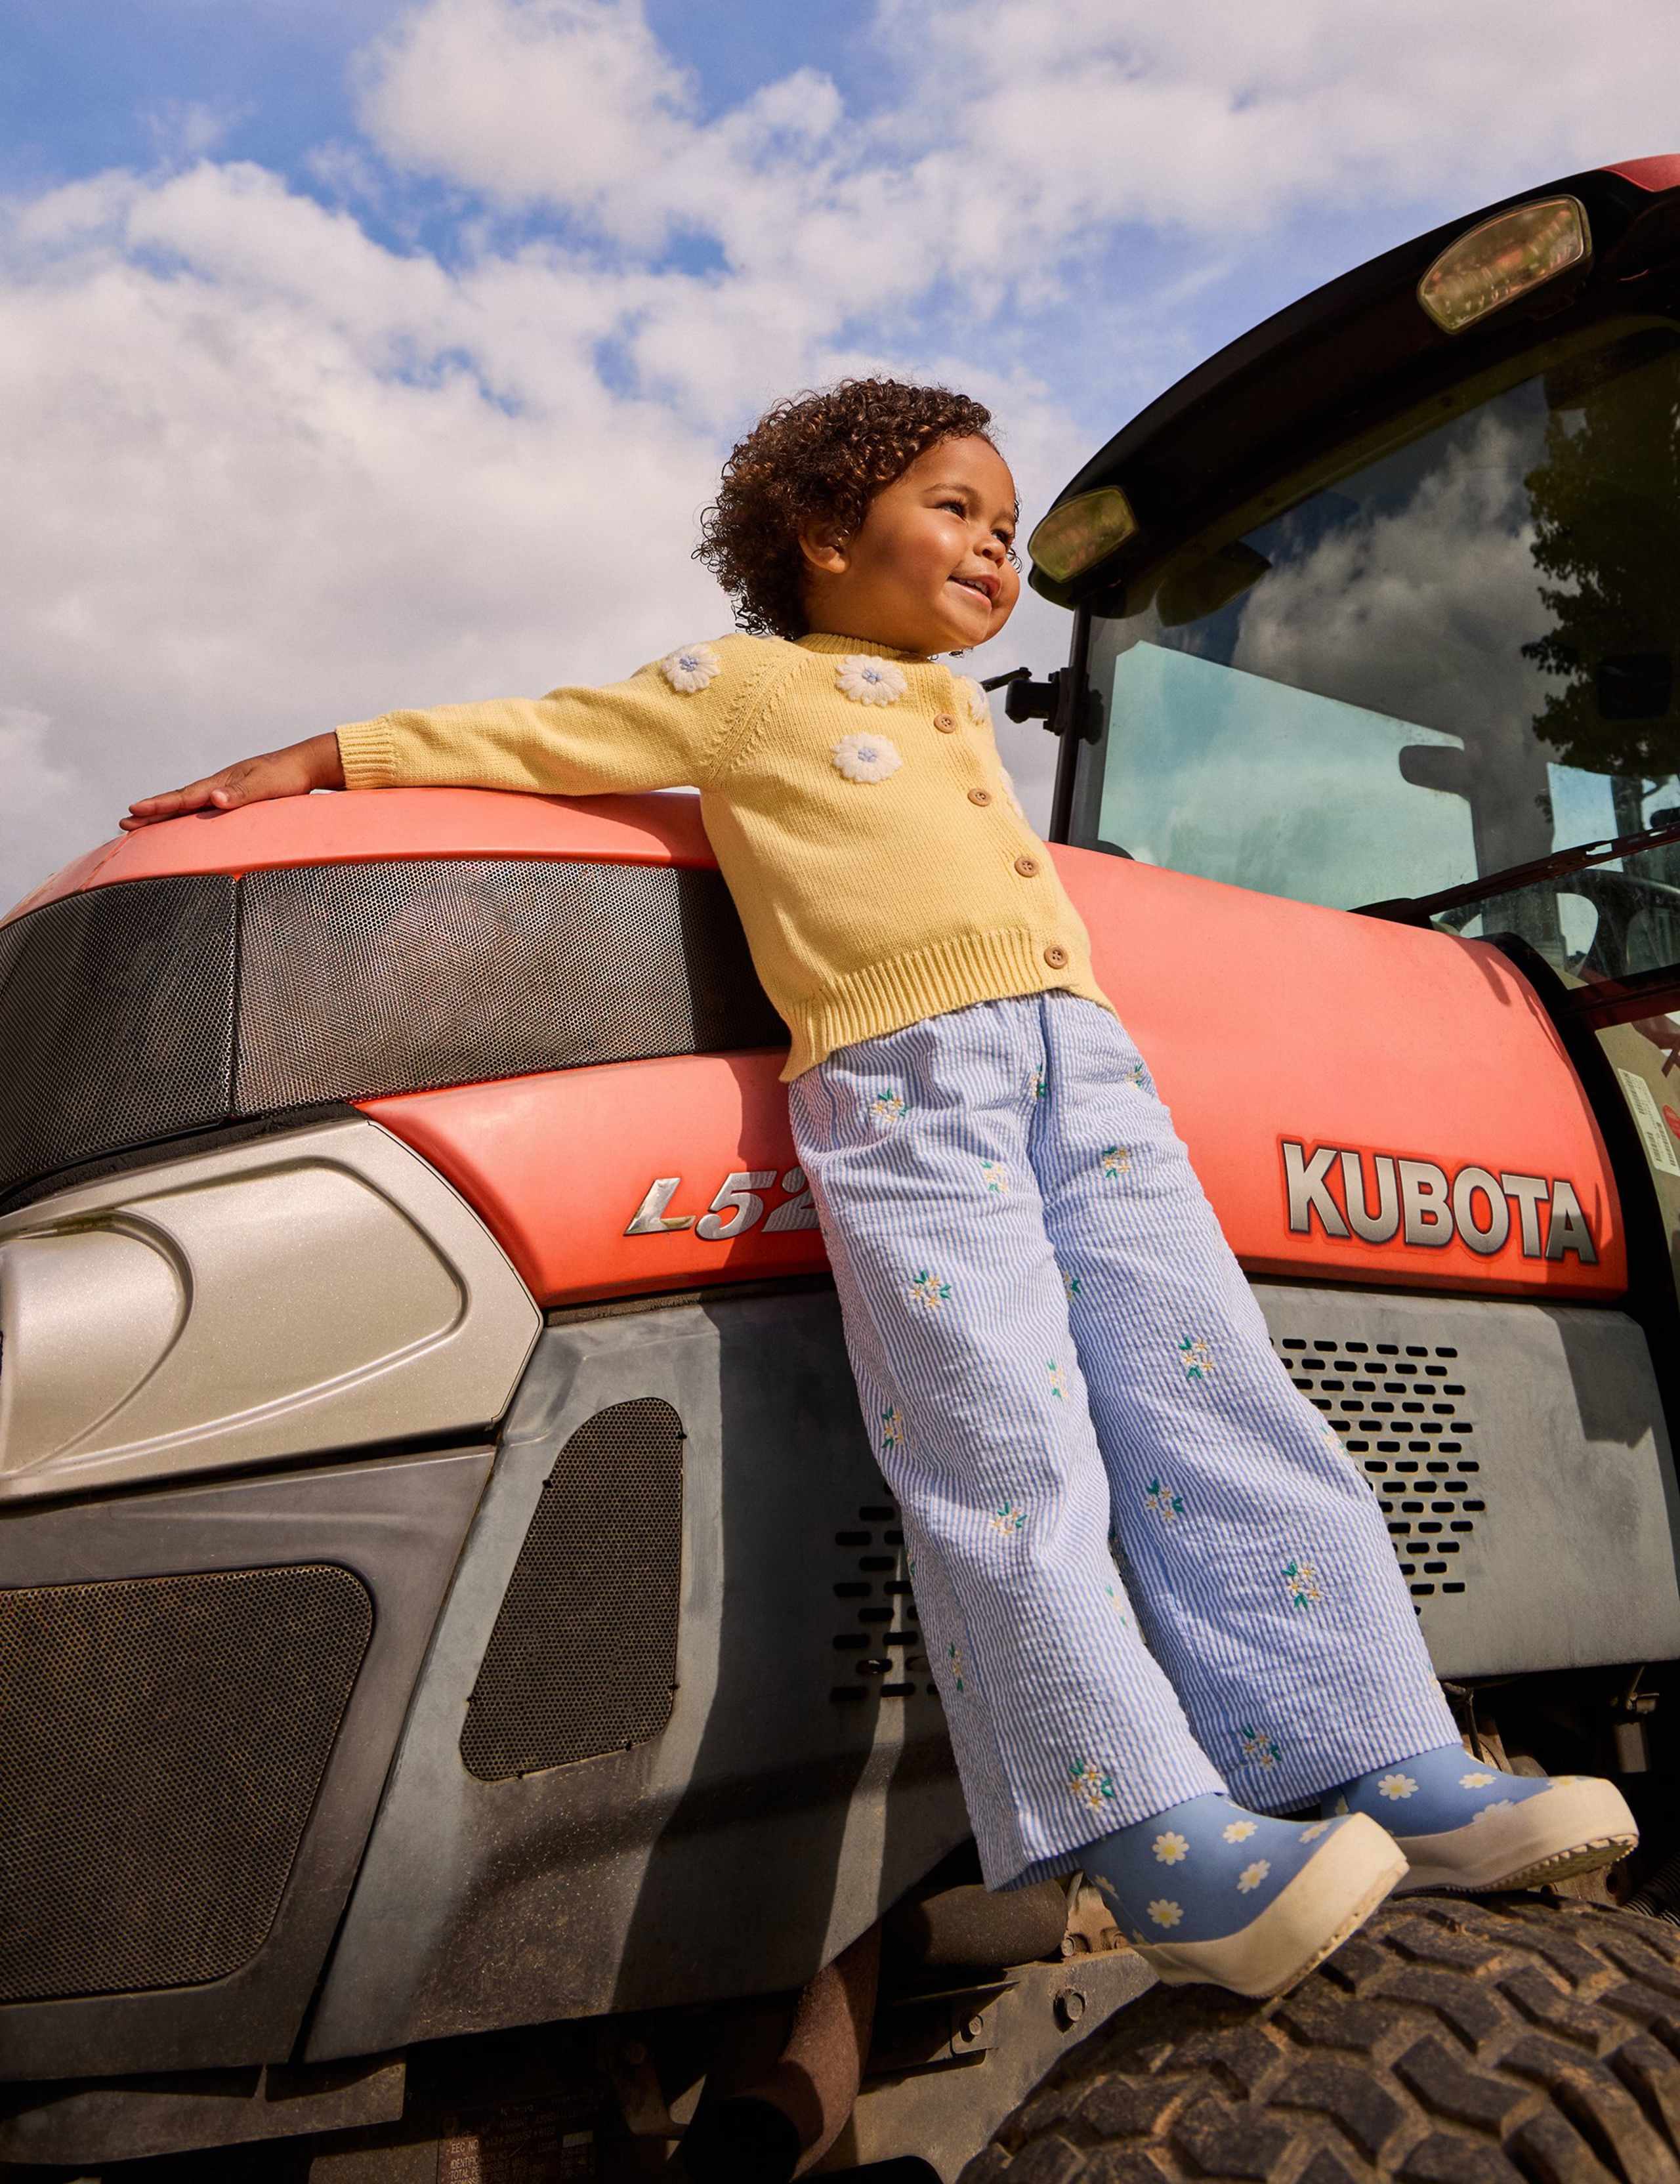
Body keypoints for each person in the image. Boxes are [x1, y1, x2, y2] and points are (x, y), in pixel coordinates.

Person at [122, 379, 1637, 1997]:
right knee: (1005, 1442)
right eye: (955, 511)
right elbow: (536, 732)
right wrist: (321, 757)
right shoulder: (746, 689)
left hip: (1095, 1083)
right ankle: (1146, 1826)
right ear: (828, 536)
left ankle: (1380, 1750)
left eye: (1002, 527)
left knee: (1225, 1407)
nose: (992, 548)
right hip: (905, 1093)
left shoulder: (953, 708)